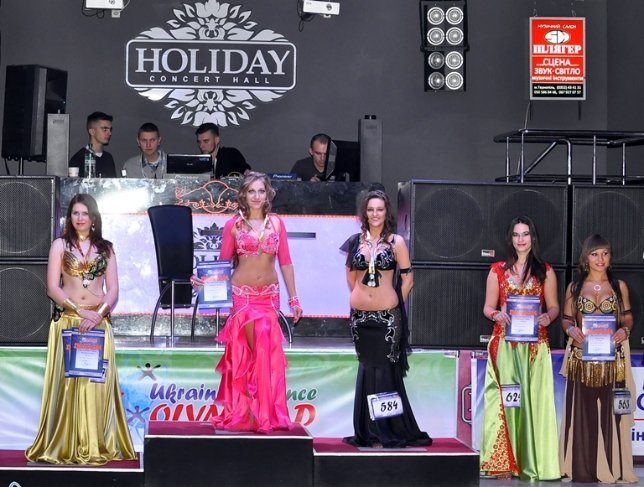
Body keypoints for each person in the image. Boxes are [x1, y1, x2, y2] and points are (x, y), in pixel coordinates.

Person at [25, 193, 135, 465]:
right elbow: (53, 288)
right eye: (75, 213)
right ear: (69, 217)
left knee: (95, 386)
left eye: (85, 213)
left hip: (97, 325)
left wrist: (97, 314)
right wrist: (79, 311)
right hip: (69, 323)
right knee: (68, 387)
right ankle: (64, 445)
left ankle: (96, 443)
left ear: (93, 217)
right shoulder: (60, 245)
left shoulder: (106, 249)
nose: (80, 218)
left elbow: (114, 290)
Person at [192, 171, 302, 432]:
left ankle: (263, 414)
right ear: (243, 194)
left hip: (269, 297)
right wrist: (204, 282)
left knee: (268, 355)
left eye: (261, 191)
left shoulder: (277, 224)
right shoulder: (234, 225)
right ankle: (251, 413)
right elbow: (222, 264)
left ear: (268, 194)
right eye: (251, 191)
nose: (256, 196)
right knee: (251, 351)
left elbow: (286, 262)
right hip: (243, 296)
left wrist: (294, 298)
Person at [341, 189, 431, 448]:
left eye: (379, 209)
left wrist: (393, 302)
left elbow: (408, 278)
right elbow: (351, 277)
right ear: (364, 213)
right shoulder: (354, 242)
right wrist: (362, 298)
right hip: (360, 319)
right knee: (367, 369)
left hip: (388, 318)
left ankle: (387, 429)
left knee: (385, 372)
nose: (375, 214)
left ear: (386, 212)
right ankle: (367, 431)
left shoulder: (396, 242)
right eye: (370, 209)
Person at [479, 216, 560, 480]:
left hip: (535, 348)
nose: (521, 239)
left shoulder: (546, 271)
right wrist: (496, 315)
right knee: (507, 401)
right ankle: (504, 462)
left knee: (535, 403)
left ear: (533, 238)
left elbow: (554, 307)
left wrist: (548, 316)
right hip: (506, 345)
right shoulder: (497, 270)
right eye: (516, 234)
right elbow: (487, 307)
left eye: (525, 234)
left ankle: (534, 463)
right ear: (510, 239)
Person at [559, 234, 637, 483]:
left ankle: (612, 466)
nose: (600, 259)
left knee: (610, 414)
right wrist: (571, 330)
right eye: (594, 254)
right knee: (583, 414)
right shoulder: (574, 287)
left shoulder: (619, 286)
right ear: (586, 258)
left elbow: (627, 317)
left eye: (605, 253)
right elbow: (566, 319)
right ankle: (581, 467)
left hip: (612, 360)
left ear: (610, 257)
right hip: (582, 359)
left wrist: (625, 330)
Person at [69, 112, 117, 178]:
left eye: (110, 129)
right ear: (92, 131)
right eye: (105, 129)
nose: (109, 133)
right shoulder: (78, 159)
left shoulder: (108, 158)